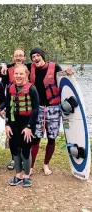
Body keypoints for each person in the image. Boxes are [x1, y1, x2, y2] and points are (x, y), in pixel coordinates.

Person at [28, 47, 73, 175]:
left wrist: (67, 72)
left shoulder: (55, 67)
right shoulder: (30, 68)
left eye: (37, 55)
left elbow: (63, 78)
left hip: (53, 108)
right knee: (35, 138)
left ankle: (46, 164)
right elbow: (15, 65)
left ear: (42, 56)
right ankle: (31, 165)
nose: (35, 58)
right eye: (33, 57)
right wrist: (3, 66)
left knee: (51, 138)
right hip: (38, 108)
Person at [5, 65, 39, 187]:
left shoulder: (32, 89)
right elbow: (8, 108)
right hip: (14, 123)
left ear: (26, 75)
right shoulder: (10, 88)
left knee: (25, 150)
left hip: (27, 124)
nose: (18, 76)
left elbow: (35, 109)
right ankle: (18, 174)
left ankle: (26, 175)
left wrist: (29, 126)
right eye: (16, 74)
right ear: (13, 75)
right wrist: (7, 124)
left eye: (21, 74)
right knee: (14, 149)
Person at [0, 48, 27, 170]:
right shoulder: (7, 70)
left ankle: (24, 160)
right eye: (16, 55)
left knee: (24, 134)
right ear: (13, 57)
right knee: (12, 134)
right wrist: (2, 107)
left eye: (21, 55)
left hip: (26, 107)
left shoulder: (29, 68)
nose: (18, 58)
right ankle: (13, 159)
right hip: (11, 106)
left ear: (24, 57)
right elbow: (3, 89)